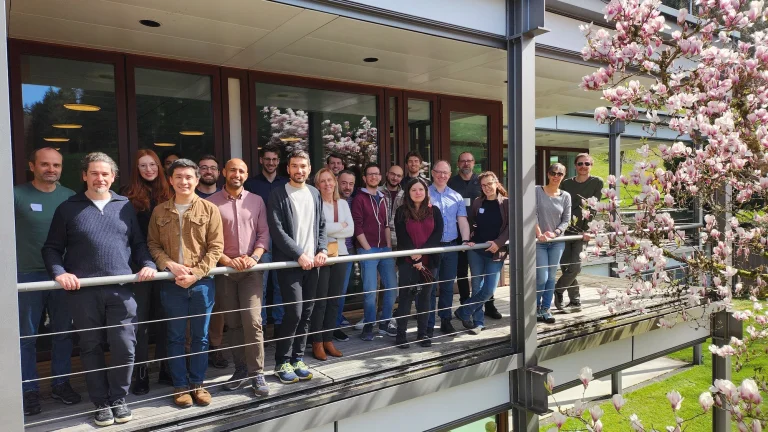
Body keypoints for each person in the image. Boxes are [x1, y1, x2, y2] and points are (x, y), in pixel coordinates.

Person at [42, 152, 157, 427]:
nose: (100, 178)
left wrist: (148, 263)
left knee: (125, 346)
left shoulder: (124, 206)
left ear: (113, 177)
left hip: (121, 289)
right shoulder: (68, 208)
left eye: (105, 174)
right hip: (84, 292)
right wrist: (60, 272)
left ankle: (119, 398)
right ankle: (101, 402)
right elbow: (51, 248)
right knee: (91, 346)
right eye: (94, 173)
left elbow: (138, 244)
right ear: (84, 176)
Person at [147, 159, 223, 408]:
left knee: (201, 337)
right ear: (170, 180)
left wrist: (196, 274)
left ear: (197, 180)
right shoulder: (160, 211)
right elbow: (153, 245)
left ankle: (198, 384)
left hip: (202, 283)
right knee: (175, 336)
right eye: (178, 177)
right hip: (171, 284)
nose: (184, 181)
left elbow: (216, 248)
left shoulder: (210, 210)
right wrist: (169, 264)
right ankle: (180, 386)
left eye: (189, 177)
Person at [16, 148, 81, 416]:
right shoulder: (15, 195)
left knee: (63, 333)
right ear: (32, 166)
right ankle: (28, 389)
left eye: (56, 165)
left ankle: (60, 384)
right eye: (45, 164)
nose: (51, 169)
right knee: (27, 337)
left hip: (63, 275)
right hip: (26, 275)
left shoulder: (70, 197)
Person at [208, 159, 271, 397]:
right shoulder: (210, 202)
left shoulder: (257, 201)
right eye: (233, 170)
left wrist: (254, 257)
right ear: (224, 172)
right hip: (224, 272)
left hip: (251, 271)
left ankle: (257, 373)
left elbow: (263, 234)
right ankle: (241, 370)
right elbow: (207, 240)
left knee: (253, 321)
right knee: (233, 323)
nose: (237, 174)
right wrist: (226, 260)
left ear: (246, 175)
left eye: (241, 171)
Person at [267, 150, 327, 384]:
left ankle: (298, 359)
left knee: (307, 313)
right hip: (291, 263)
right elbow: (277, 231)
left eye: (303, 166)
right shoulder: (278, 194)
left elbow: (321, 225)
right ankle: (282, 361)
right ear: (288, 168)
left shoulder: (314, 193)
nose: (299, 170)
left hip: (313, 264)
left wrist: (322, 249)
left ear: (309, 168)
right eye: (294, 166)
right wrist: (299, 254)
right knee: (294, 313)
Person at [121, 149, 172, 395]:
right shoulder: (126, 196)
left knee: (165, 319)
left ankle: (166, 368)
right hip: (138, 267)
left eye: (152, 164)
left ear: (159, 167)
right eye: (143, 165)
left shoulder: (170, 192)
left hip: (166, 266)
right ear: (136, 169)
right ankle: (140, 374)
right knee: (139, 323)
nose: (148, 169)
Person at [453, 172, 510, 334]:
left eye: (489, 184)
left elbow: (511, 226)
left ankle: (464, 311)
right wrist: (470, 237)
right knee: (477, 287)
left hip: (495, 252)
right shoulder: (478, 202)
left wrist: (498, 243)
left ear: (496, 183)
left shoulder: (506, 203)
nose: (486, 188)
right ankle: (478, 323)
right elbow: (471, 221)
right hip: (476, 250)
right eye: (483, 185)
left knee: (489, 289)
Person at [447, 152, 501, 320]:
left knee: (486, 274)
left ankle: (489, 305)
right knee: (462, 270)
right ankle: (466, 303)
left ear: (474, 163)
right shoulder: (451, 183)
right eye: (463, 161)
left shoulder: (481, 181)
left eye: (469, 161)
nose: (466, 164)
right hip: (459, 234)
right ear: (458, 163)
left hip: (482, 234)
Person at [393, 178, 443, 348]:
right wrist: (416, 257)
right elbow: (402, 236)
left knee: (425, 298)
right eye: (413, 190)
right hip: (408, 262)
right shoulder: (401, 211)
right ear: (408, 193)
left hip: (429, 262)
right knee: (405, 297)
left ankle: (423, 334)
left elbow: (437, 235)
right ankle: (401, 335)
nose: (417, 193)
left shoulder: (434, 211)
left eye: (421, 189)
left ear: (426, 192)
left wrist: (421, 255)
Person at [351, 163, 398, 341]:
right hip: (368, 249)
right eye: (370, 174)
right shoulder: (359, 198)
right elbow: (357, 226)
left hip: (384, 249)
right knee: (370, 290)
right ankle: (369, 325)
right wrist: (367, 248)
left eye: (376, 174)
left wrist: (388, 247)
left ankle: (385, 322)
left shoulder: (383, 197)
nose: (374, 177)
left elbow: (386, 225)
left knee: (392, 287)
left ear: (380, 177)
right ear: (364, 178)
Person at [311, 168, 353, 360]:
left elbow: (350, 230)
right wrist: (339, 227)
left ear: (335, 182)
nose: (327, 184)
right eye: (323, 181)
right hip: (321, 256)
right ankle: (317, 342)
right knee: (320, 301)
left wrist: (329, 229)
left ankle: (328, 339)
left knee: (334, 300)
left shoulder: (342, 203)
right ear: (317, 185)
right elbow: (316, 230)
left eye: (330, 180)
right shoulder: (315, 203)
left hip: (340, 255)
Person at [244, 145, 286, 336]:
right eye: (267, 159)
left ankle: (279, 325)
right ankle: (259, 328)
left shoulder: (285, 183)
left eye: (274, 159)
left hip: (282, 239)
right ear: (261, 160)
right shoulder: (251, 184)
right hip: (260, 240)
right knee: (260, 286)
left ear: (278, 161)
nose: (271, 163)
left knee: (280, 284)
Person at [555, 153, 603, 313]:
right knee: (566, 266)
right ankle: (575, 301)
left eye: (587, 164)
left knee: (576, 266)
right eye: (580, 163)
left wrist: (588, 230)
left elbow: (594, 208)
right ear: (575, 166)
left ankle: (558, 290)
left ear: (591, 165)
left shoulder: (597, 182)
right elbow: (560, 206)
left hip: (582, 232)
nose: (583, 166)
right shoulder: (567, 183)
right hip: (565, 230)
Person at [428, 160, 471, 335]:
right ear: (433, 173)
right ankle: (428, 323)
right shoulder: (424, 194)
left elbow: (462, 220)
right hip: (431, 248)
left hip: (451, 248)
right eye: (439, 172)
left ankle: (445, 320)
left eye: (445, 172)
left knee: (447, 287)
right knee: (430, 287)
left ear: (449, 175)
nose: (442, 175)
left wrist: (465, 240)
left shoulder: (456, 196)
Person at [194, 154, 228, 370]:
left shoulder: (224, 197)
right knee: (195, 310)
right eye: (204, 167)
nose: (208, 171)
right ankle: (195, 351)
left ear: (219, 172)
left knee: (217, 309)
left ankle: (215, 347)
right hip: (194, 262)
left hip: (220, 262)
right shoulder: (190, 196)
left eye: (212, 168)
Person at [535, 163, 572, 324]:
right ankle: (534, 308)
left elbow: (566, 220)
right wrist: (539, 234)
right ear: (548, 174)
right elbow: (532, 214)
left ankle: (545, 309)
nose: (556, 176)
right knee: (541, 277)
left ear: (563, 176)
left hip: (557, 242)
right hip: (539, 241)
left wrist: (555, 233)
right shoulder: (537, 191)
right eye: (553, 173)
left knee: (551, 277)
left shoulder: (566, 196)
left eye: (560, 174)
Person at [333, 169, 358, 341]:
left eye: (351, 184)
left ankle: (335, 323)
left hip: (348, 251)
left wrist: (341, 228)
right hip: (330, 250)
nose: (347, 187)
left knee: (341, 290)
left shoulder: (354, 201)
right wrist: (341, 228)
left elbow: (352, 230)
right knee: (331, 291)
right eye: (344, 183)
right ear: (336, 182)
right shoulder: (330, 200)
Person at [381, 165, 405, 249]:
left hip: (399, 242)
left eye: (398, 176)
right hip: (379, 242)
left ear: (401, 178)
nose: (395, 178)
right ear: (387, 174)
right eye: (392, 174)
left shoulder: (406, 195)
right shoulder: (377, 192)